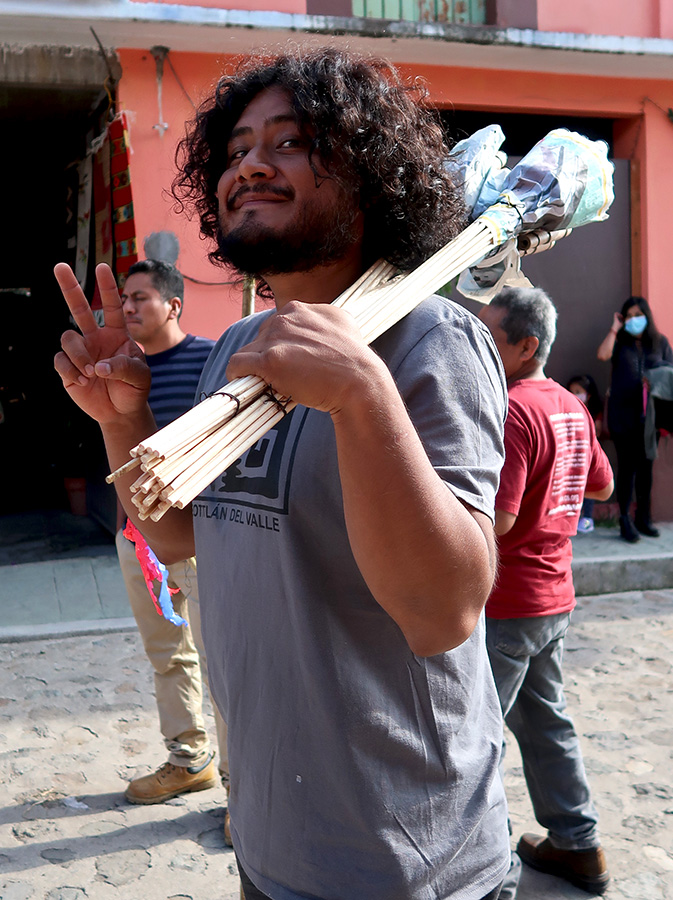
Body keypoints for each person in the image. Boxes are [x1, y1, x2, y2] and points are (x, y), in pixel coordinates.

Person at [54, 48, 510, 900]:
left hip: (405, 857)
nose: (250, 166)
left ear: (372, 174)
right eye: (235, 151)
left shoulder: (430, 341)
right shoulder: (238, 347)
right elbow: (183, 536)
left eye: (291, 142)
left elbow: (441, 612)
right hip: (270, 839)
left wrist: (361, 396)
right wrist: (122, 421)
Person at [479, 286, 614, 898]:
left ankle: (494, 876)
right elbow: (602, 487)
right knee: (545, 723)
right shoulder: (568, 404)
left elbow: (500, 521)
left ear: (526, 345)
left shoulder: (512, 409)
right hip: (553, 598)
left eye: (491, 336)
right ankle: (578, 844)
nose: (480, 346)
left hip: (508, 603)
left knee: (474, 742)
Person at [111, 259, 229, 812]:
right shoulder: (118, 371)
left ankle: (241, 786)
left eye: (140, 297)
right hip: (137, 539)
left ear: (173, 304)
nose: (128, 307)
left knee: (223, 658)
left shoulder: (213, 361)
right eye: (124, 299)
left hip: (203, 539)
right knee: (167, 655)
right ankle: (189, 759)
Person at [597, 296, 673, 543]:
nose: (633, 320)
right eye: (628, 316)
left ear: (646, 316)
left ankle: (643, 518)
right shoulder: (620, 342)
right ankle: (624, 521)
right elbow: (602, 355)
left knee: (646, 469)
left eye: (637, 315)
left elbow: (670, 373)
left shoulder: (660, 343)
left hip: (650, 417)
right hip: (623, 415)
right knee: (627, 469)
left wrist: (654, 379)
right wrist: (615, 328)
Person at [566, 374, 604, 533]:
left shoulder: (594, 414)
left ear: (588, 395)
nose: (574, 395)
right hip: (569, 456)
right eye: (571, 391)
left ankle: (587, 518)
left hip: (587, 457)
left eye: (578, 391)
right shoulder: (567, 410)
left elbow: (597, 433)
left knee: (588, 487)